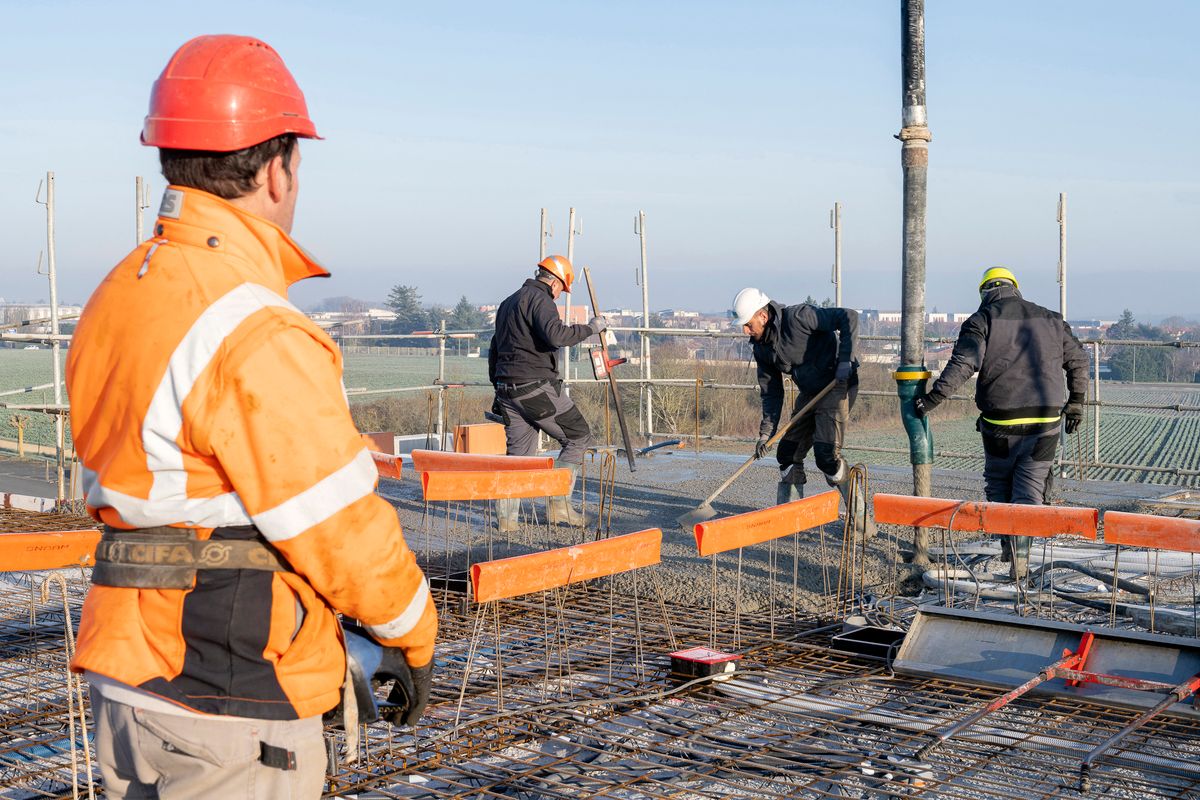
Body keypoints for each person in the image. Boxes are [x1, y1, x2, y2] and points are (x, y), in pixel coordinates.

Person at [65, 35, 437, 798]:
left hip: (129, 672)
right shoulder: (254, 328)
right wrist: (414, 631)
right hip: (232, 697)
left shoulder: (119, 295)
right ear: (277, 169)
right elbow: (337, 526)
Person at [914, 266, 1089, 580]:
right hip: (1045, 422)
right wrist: (1075, 403)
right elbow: (1078, 359)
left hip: (1000, 421)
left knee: (998, 484)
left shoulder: (982, 320)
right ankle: (1020, 559)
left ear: (984, 292)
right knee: (1030, 490)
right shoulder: (1051, 319)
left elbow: (965, 362)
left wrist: (932, 399)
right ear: (1015, 288)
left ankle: (1008, 544)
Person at [489, 255, 606, 530]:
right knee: (578, 436)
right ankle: (559, 507)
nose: (559, 294)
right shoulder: (541, 300)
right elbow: (556, 336)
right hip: (534, 387)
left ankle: (507, 520)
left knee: (518, 456)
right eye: (561, 290)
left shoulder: (508, 303)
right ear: (554, 281)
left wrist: (498, 388)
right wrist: (591, 328)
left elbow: (495, 349)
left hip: (507, 390)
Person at [732, 288, 864, 513]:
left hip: (837, 384)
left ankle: (860, 517)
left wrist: (845, 360)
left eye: (748, 324)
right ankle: (790, 519)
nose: (746, 331)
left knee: (826, 458)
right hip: (810, 393)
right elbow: (771, 392)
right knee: (787, 455)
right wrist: (767, 433)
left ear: (763, 316)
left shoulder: (799, 318)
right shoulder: (762, 349)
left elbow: (848, 316)